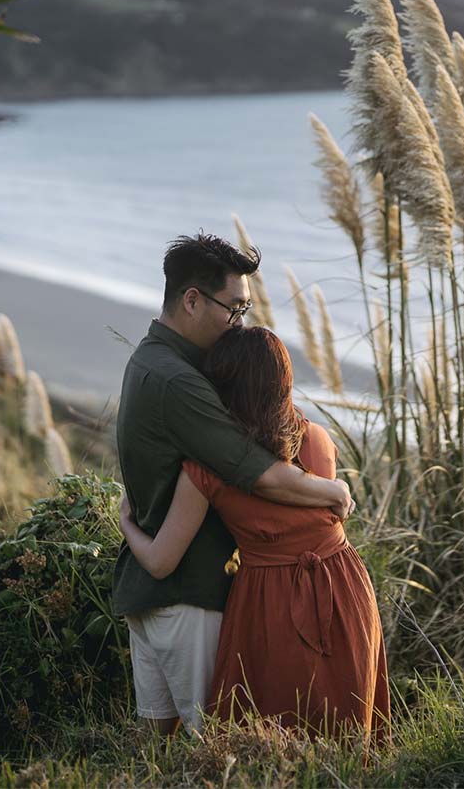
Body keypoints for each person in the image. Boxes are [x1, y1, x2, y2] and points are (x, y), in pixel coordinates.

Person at [114, 234, 355, 737]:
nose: (239, 321)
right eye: (235, 308)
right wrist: (332, 492)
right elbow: (257, 471)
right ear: (192, 300)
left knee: (157, 750)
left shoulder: (150, 359)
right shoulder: (181, 382)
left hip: (159, 592)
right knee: (220, 750)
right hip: (191, 599)